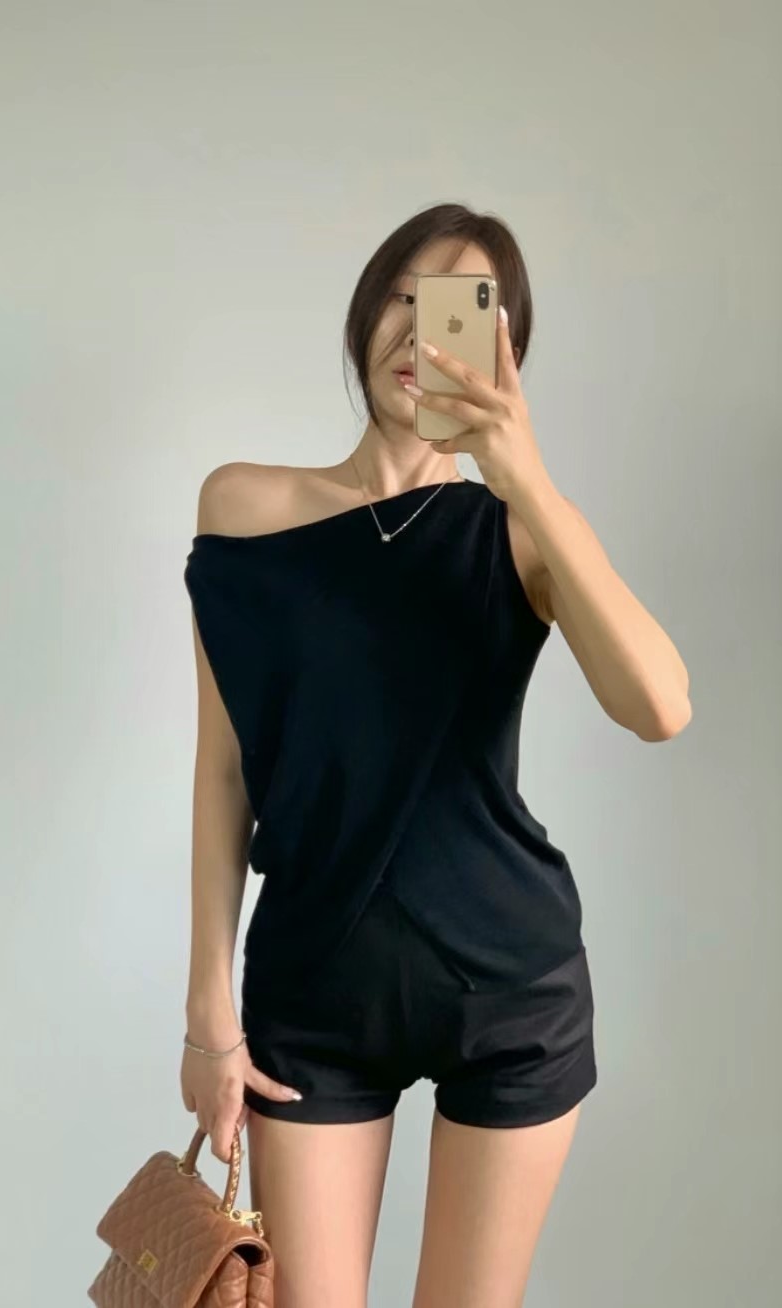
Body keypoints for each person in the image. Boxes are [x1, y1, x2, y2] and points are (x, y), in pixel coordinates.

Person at [179, 202, 691, 1307]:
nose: (419, 334)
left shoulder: (518, 528)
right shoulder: (242, 509)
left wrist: (525, 478)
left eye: (457, 311)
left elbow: (659, 706)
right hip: (310, 991)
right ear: (363, 314)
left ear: (503, 352)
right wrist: (207, 1012)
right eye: (402, 300)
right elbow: (222, 770)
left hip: (506, 986)